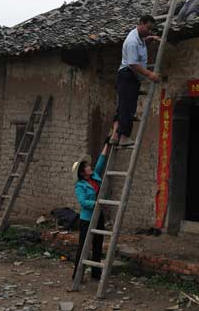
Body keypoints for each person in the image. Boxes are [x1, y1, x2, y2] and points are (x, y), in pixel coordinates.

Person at [110, 15, 161, 147]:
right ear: (141, 24)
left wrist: (150, 39)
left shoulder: (138, 37)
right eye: (148, 29)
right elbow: (133, 64)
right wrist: (150, 74)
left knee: (122, 107)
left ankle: (115, 135)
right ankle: (124, 138)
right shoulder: (132, 41)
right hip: (128, 75)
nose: (149, 32)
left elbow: (142, 41)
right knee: (128, 108)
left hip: (127, 75)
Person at [71, 139, 109, 281]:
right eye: (87, 167)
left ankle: (95, 273)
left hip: (98, 216)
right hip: (87, 219)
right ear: (82, 172)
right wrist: (97, 203)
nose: (90, 167)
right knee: (83, 247)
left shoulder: (94, 177)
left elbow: (101, 162)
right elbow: (83, 202)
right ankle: (77, 275)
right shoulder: (80, 186)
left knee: (98, 244)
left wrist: (106, 144)